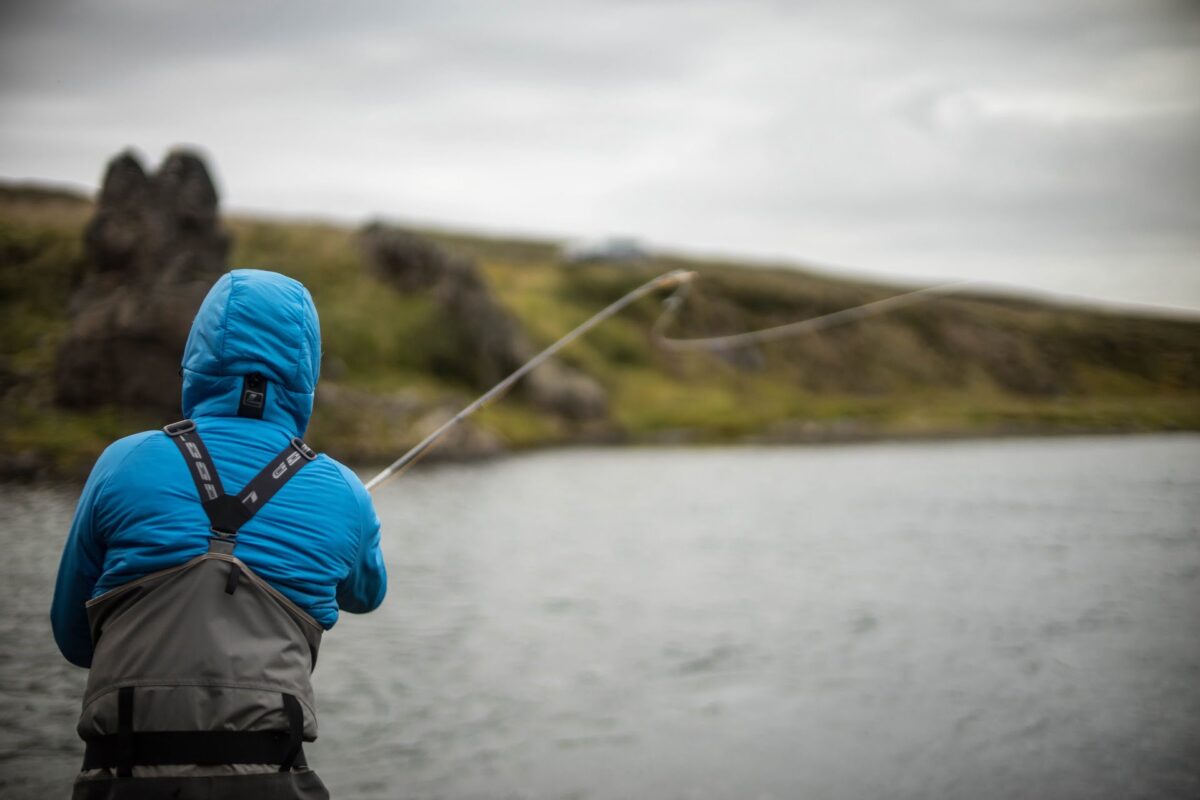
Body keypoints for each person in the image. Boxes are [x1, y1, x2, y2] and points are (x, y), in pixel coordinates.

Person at [50, 268, 387, 799]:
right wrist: (349, 519)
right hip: (273, 782)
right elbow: (367, 595)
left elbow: (73, 638)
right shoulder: (345, 491)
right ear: (305, 372)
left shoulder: (123, 461)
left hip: (121, 781)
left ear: (200, 355)